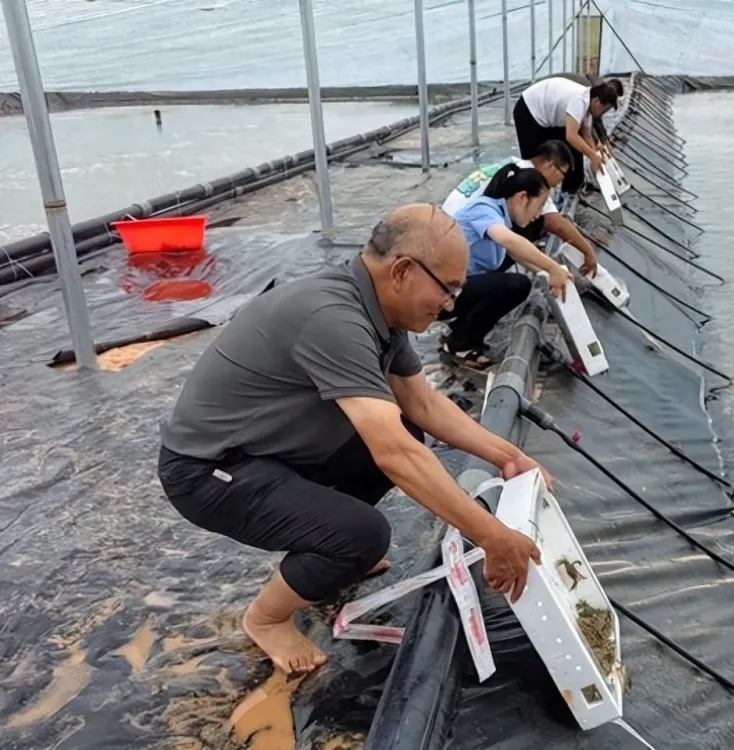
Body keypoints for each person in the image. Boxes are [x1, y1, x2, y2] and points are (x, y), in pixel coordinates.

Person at [157, 204, 549, 675]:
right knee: (363, 533)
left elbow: (421, 405)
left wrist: (509, 456)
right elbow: (396, 457)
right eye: (447, 289)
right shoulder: (333, 318)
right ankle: (266, 616)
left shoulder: (380, 313)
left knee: (405, 426)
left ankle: (323, 548)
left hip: (265, 451)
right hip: (207, 470)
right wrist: (490, 536)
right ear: (403, 271)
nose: (449, 305)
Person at [440, 165, 574, 366]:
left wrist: (549, 273)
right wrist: (553, 268)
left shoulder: (502, 216)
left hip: (455, 286)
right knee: (516, 285)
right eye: (539, 205)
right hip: (438, 291)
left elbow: (517, 254)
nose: (538, 214)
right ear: (522, 198)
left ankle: (459, 328)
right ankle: (461, 344)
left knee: (513, 271)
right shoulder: (485, 210)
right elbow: (510, 241)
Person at [441, 140, 599, 276]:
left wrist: (545, 270)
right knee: (537, 224)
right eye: (562, 174)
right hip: (454, 241)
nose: (561, 181)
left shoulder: (513, 166)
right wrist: (587, 251)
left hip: (448, 223)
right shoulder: (529, 180)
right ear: (551, 166)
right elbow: (557, 224)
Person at [513, 77, 620, 194]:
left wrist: (595, 155)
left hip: (549, 118)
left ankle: (569, 190)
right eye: (604, 110)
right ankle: (530, 194)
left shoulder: (588, 105)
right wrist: (592, 156)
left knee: (571, 150)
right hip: (529, 110)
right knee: (537, 160)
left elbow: (587, 136)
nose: (602, 115)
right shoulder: (579, 101)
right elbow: (571, 136)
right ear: (597, 102)